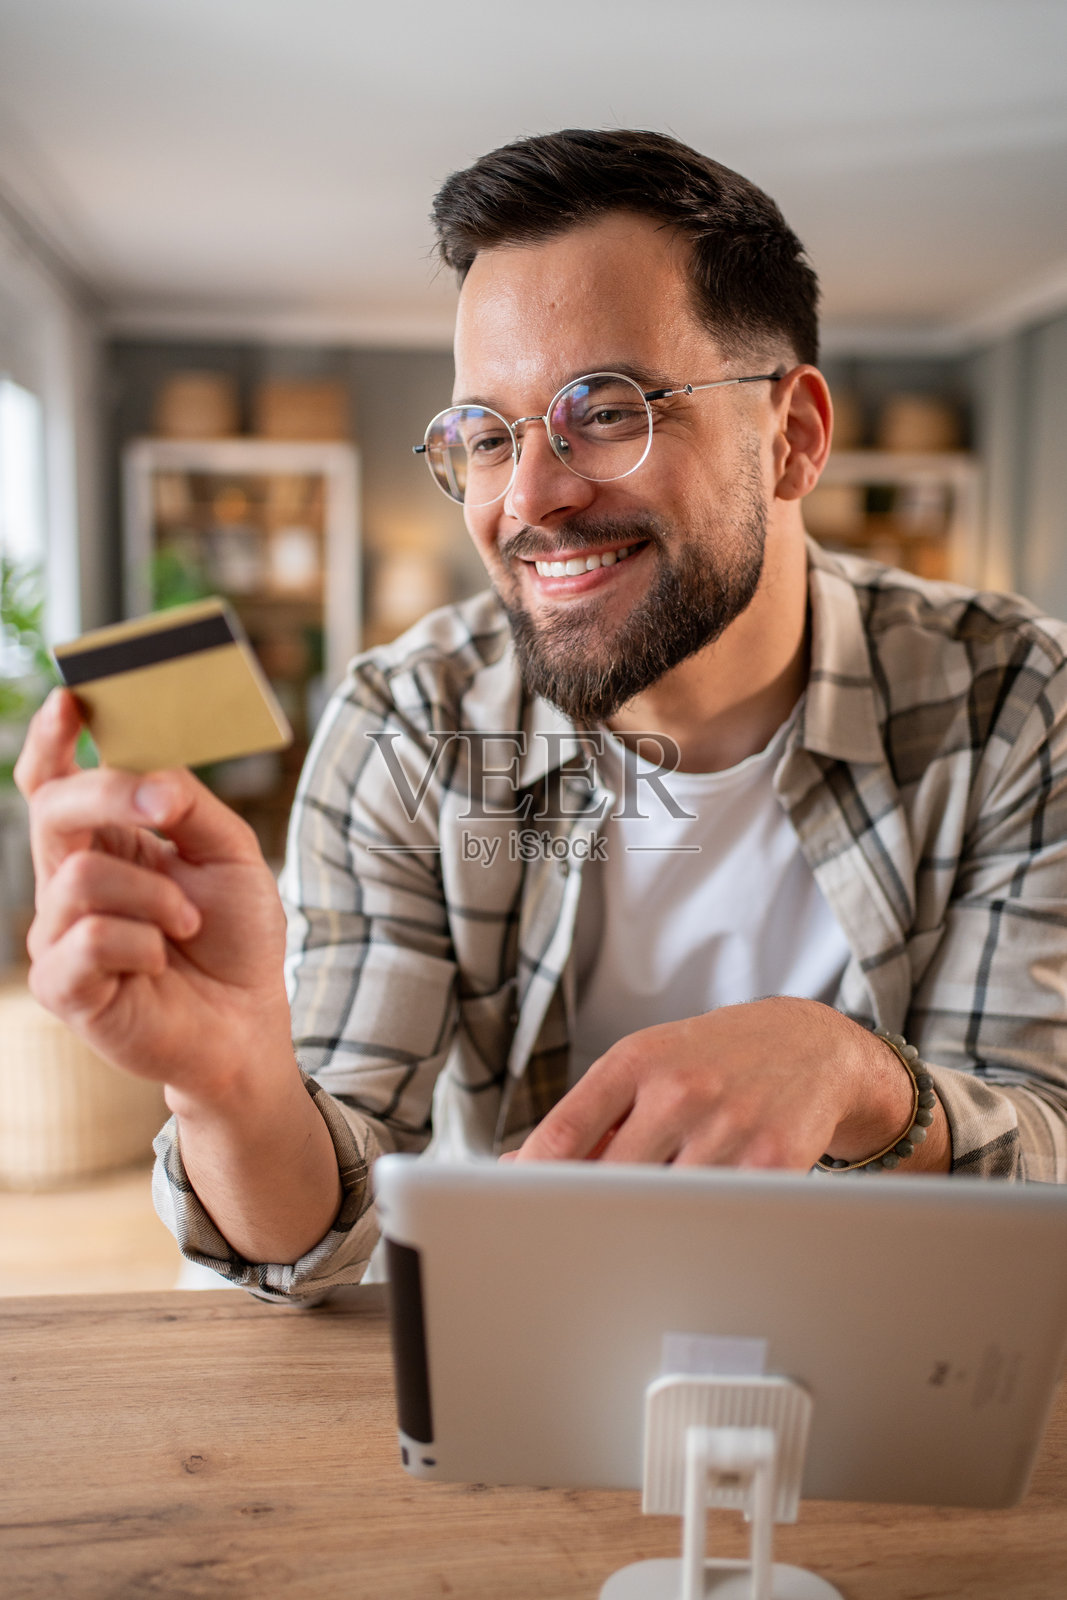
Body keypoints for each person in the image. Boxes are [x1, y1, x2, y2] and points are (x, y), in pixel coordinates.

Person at [15, 129, 1067, 1302]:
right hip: (520, 1347)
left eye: (604, 410)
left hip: (893, 1361)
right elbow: (325, 1233)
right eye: (485, 434)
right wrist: (232, 1082)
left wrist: (860, 1079)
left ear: (792, 437)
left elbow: (1043, 1163)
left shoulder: (1011, 703)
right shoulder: (408, 724)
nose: (528, 497)